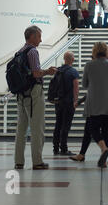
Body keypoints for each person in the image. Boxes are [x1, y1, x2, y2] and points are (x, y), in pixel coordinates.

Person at [70, 42, 108, 168]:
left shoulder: (89, 65)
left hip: (94, 103)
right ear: (106, 51)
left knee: (93, 129)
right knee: (106, 131)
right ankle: (103, 160)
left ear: (94, 51)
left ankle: (103, 148)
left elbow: (84, 84)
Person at [15, 26, 57, 170]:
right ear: (32, 37)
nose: (40, 40)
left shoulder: (19, 52)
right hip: (34, 93)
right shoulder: (32, 51)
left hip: (21, 94)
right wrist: (48, 71)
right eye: (39, 37)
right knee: (37, 128)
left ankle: (19, 161)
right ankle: (37, 161)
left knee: (21, 129)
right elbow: (36, 73)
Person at [52, 51, 79, 156]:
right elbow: (76, 87)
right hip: (68, 102)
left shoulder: (58, 70)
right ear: (72, 59)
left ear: (64, 59)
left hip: (58, 102)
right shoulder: (73, 72)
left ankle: (55, 148)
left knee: (58, 124)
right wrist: (76, 100)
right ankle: (64, 149)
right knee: (65, 126)